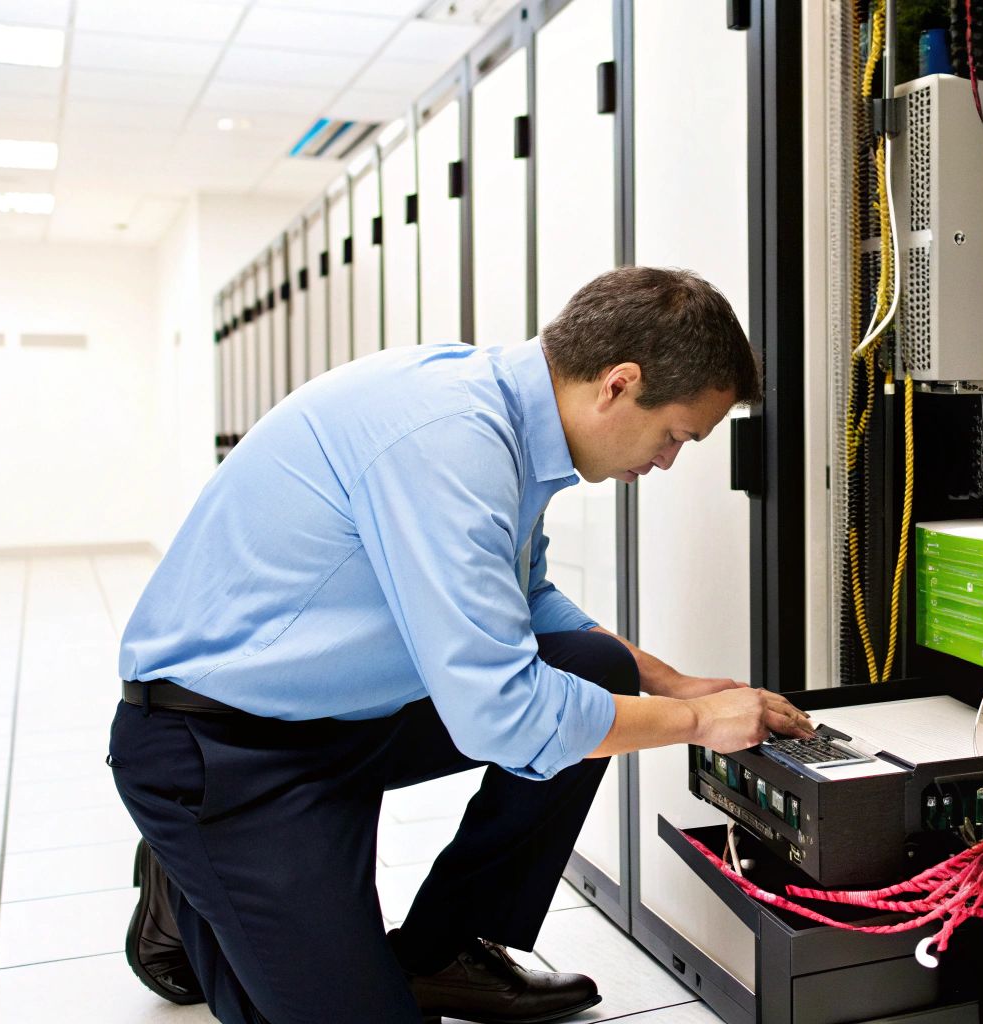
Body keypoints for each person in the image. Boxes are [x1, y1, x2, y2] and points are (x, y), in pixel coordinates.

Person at [109, 266, 815, 1024]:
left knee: (597, 667)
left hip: (343, 721)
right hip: (221, 750)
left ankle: (440, 948)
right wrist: (702, 725)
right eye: (675, 434)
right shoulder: (451, 438)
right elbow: (506, 716)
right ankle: (192, 872)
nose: (669, 460)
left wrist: (672, 682)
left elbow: (526, 600)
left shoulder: (513, 422)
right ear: (618, 383)